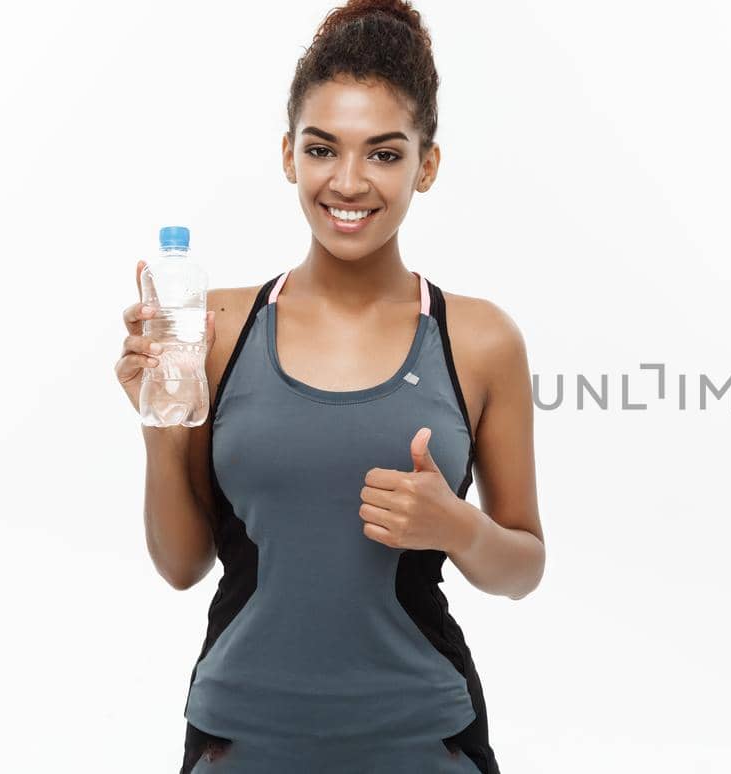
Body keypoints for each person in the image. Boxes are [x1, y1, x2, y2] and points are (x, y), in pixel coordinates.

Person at [112, 1, 545, 771]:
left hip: (423, 742)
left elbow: (524, 566)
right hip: (238, 741)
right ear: (288, 155)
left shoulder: (478, 340)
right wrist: (159, 421)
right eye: (322, 150)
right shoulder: (216, 326)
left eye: (384, 154)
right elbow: (181, 566)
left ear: (428, 164)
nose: (348, 182)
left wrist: (458, 527)